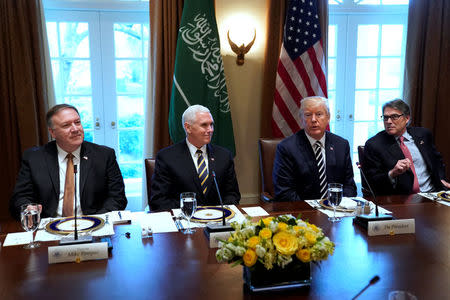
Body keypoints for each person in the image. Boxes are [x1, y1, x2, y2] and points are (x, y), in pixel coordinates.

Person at [10, 104, 127, 220]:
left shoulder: (104, 155)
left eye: (77, 122)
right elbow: (20, 197)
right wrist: (28, 208)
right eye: (66, 125)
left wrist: (96, 221)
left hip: (94, 224)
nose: (75, 129)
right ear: (52, 132)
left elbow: (117, 198)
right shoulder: (34, 158)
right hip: (50, 227)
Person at [150, 105, 240, 211]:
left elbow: (232, 194)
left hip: (217, 220)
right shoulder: (167, 157)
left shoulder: (224, 156)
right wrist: (193, 212)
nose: (210, 130)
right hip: (184, 220)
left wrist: (219, 213)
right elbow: (159, 200)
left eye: (211, 125)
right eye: (204, 125)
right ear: (188, 127)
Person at [273, 96, 357, 201]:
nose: (313, 120)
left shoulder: (341, 145)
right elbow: (285, 192)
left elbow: (349, 186)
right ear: (301, 119)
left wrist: (338, 207)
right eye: (308, 115)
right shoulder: (287, 148)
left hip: (336, 211)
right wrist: (314, 210)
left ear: (328, 117)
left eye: (319, 114)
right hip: (303, 212)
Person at [363, 99, 449, 195]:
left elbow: (437, 161)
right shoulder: (374, 144)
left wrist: (441, 179)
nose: (388, 121)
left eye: (394, 117)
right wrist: (392, 173)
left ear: (407, 118)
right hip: (401, 199)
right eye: (385, 117)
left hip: (432, 194)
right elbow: (371, 182)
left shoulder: (423, 134)